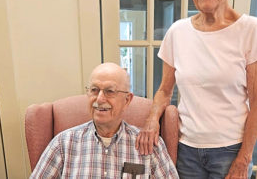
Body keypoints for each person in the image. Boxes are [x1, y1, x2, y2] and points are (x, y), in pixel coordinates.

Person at [135, 0, 257, 178]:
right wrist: (152, 119)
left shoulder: (251, 30)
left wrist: (244, 158)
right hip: (186, 150)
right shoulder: (178, 31)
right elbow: (165, 90)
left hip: (231, 151)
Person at [30, 62, 178, 178]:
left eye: (109, 91)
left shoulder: (149, 145)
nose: (100, 99)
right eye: (94, 90)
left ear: (127, 100)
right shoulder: (63, 143)